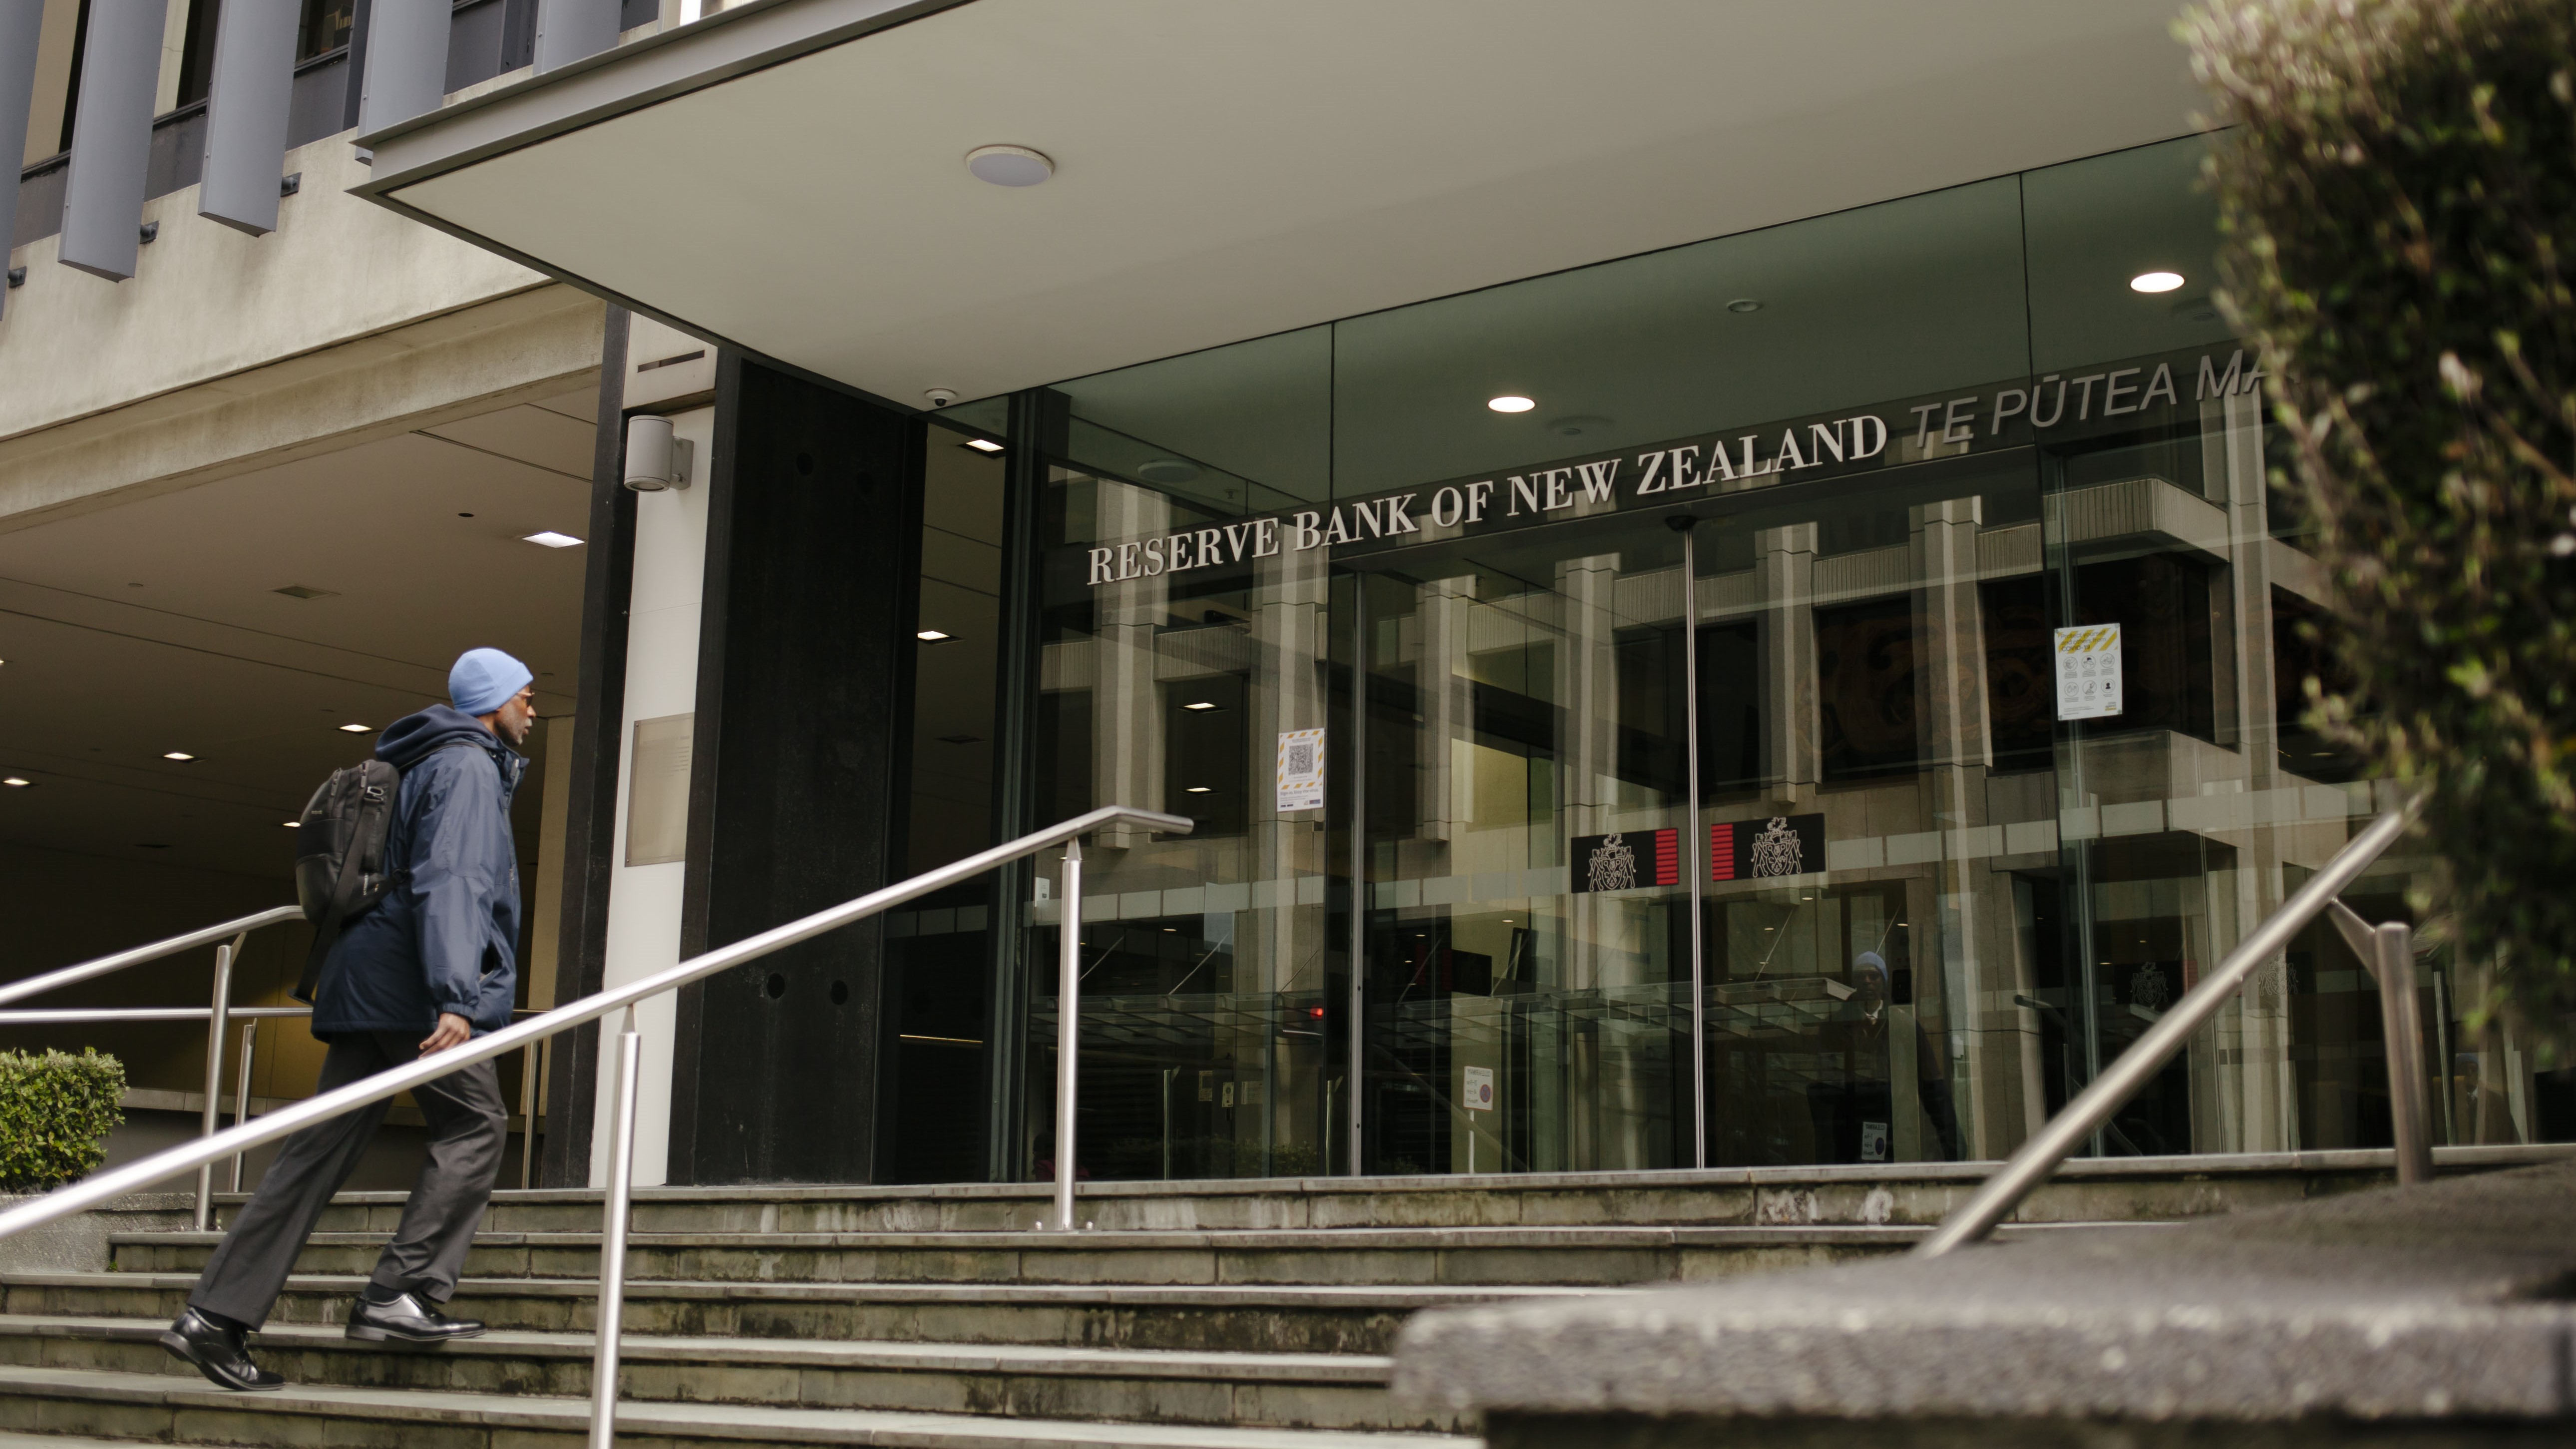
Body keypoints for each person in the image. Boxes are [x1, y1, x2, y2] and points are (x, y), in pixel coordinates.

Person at [160, 649, 535, 1391]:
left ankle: (214, 1317)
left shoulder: (430, 756)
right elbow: (452, 882)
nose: (531, 708)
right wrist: (458, 996)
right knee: (475, 1124)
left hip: (368, 979)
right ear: (492, 703)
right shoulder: (465, 764)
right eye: (525, 696)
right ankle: (402, 1292)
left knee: (319, 1150)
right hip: (412, 989)